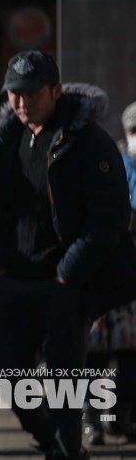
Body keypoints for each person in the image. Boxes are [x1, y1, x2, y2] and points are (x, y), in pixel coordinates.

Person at [0, 50, 133, 460]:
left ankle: (65, 449)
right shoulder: (6, 139)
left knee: (64, 386)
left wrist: (69, 273)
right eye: (13, 93)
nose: (21, 102)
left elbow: (111, 218)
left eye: (31, 93)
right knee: (13, 381)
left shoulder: (87, 141)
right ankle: (56, 442)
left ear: (55, 91)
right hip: (14, 281)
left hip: (64, 284)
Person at [83, 100, 136, 445]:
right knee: (95, 351)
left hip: (127, 273)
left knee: (129, 352)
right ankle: (91, 418)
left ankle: (118, 417)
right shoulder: (113, 162)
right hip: (107, 268)